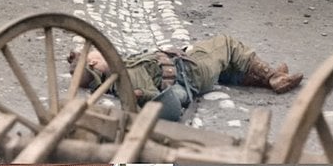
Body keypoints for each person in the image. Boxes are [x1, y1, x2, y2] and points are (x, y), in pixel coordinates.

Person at [68, 36, 303, 121]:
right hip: (190, 72)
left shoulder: (118, 71)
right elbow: (160, 101)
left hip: (183, 65)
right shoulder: (126, 75)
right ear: (92, 63)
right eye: (93, 53)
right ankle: (272, 77)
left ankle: (268, 76)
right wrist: (142, 96)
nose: (98, 50)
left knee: (226, 68)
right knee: (227, 44)